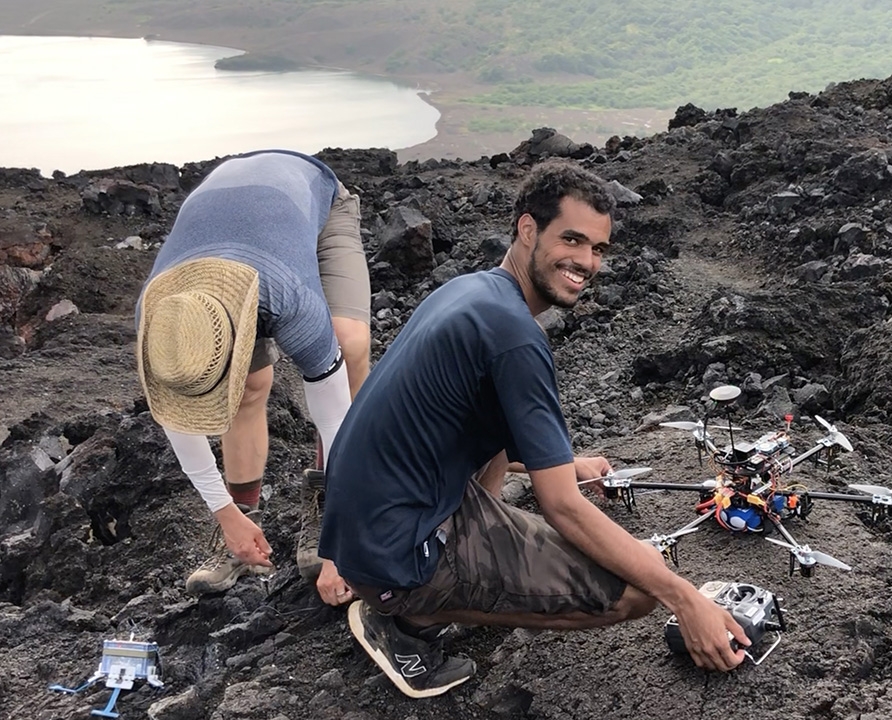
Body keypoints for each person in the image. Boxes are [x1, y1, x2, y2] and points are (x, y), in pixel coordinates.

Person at [318, 160, 749, 699]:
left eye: (598, 249)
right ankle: (406, 621)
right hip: (395, 553)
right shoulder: (516, 338)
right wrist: (687, 599)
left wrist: (564, 464)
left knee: (516, 454)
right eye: (572, 239)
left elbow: (459, 420)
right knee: (638, 591)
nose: (587, 262)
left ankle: (447, 570)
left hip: (366, 520)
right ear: (527, 229)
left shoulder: (472, 291)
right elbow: (562, 506)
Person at [135, 149, 370, 605]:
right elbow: (178, 421)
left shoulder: (289, 300)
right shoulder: (161, 321)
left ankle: (329, 503)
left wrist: (342, 544)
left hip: (314, 199)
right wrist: (225, 514)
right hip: (234, 222)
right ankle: (244, 512)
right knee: (245, 388)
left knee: (349, 343)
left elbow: (334, 415)